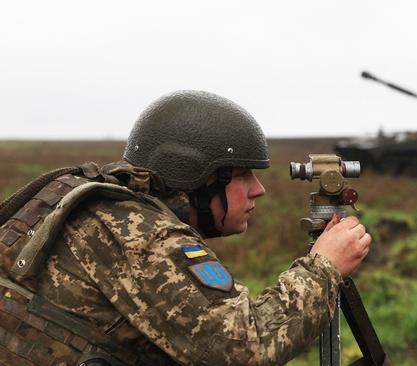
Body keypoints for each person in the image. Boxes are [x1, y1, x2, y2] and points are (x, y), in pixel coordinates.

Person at [0, 90, 371, 365]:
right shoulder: (139, 235)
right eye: (241, 175)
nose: (258, 190)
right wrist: (324, 267)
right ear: (196, 177)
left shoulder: (107, 209)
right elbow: (243, 348)